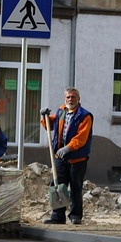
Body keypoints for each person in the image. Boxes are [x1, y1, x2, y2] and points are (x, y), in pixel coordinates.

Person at [41, 87, 94, 225]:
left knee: (75, 187)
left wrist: (68, 148)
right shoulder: (61, 111)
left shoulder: (85, 116)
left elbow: (81, 137)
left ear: (78, 99)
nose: (71, 99)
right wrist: (44, 117)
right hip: (60, 158)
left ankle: (75, 215)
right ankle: (58, 216)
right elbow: (51, 124)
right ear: (65, 98)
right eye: (68, 97)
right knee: (58, 185)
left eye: (73, 97)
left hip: (77, 159)